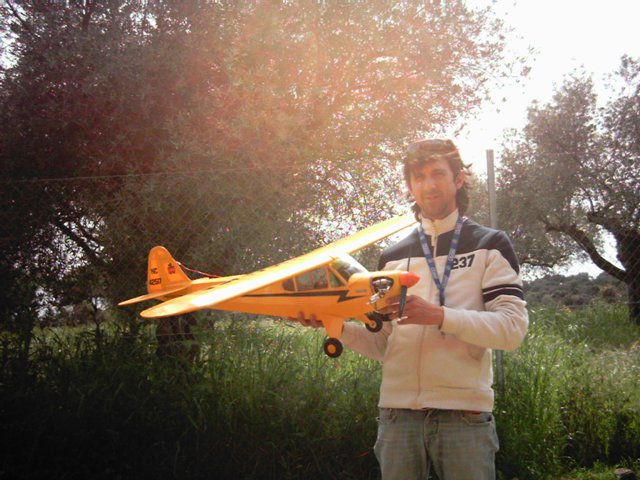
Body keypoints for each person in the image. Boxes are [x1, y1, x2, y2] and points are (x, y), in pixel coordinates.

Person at [296, 139, 528, 480]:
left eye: (438, 174)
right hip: (397, 414)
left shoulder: (490, 245)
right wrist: (336, 326)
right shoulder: (392, 256)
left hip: (463, 414)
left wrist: (439, 316)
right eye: (419, 176)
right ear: (409, 185)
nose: (428, 184)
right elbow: (383, 344)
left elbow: (512, 329)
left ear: (458, 179)